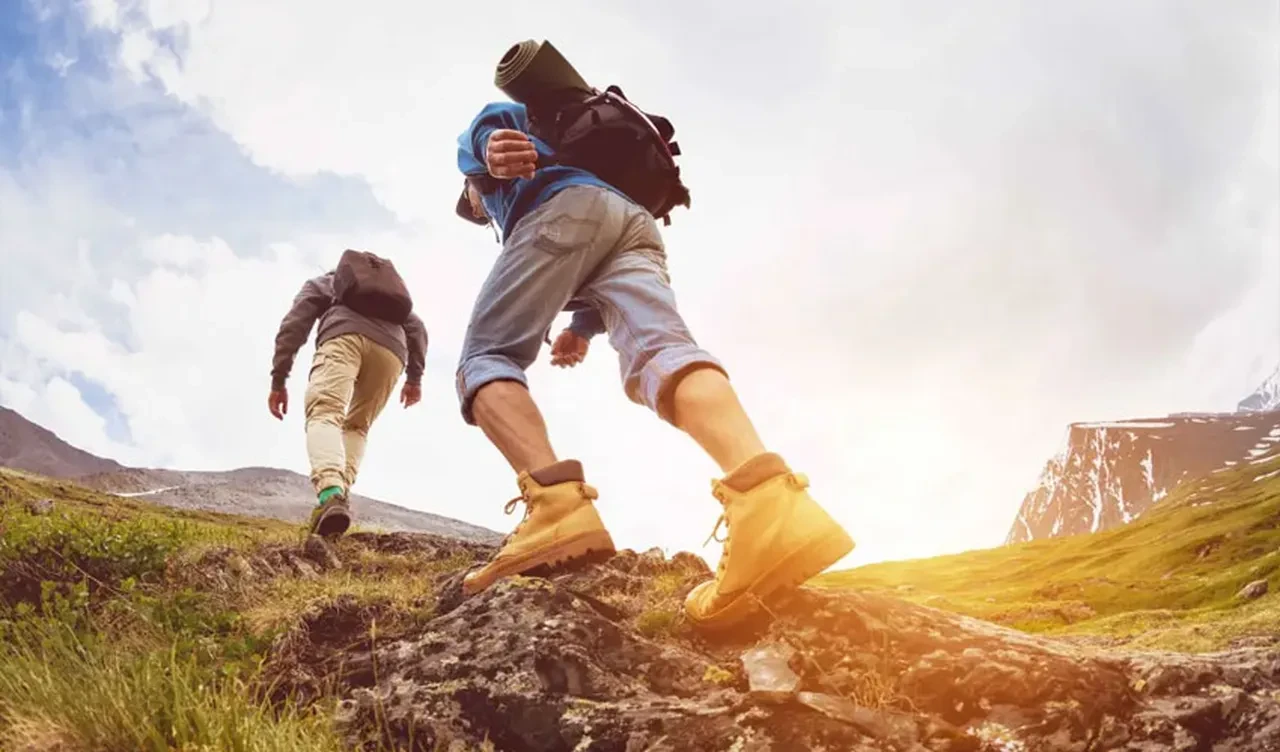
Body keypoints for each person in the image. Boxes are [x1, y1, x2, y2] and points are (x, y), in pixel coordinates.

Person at [453, 101, 854, 631]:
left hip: (563, 208)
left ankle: (558, 510)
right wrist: (581, 329)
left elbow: (488, 122)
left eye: (471, 204)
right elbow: (592, 252)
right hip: (634, 223)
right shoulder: (594, 175)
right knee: (663, 353)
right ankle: (768, 502)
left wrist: (486, 150)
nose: (476, 210)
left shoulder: (496, 179)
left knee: (488, 356)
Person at [267, 265, 427, 537]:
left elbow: (295, 324)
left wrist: (279, 379)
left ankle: (331, 494)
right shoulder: (389, 299)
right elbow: (418, 328)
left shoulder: (324, 283)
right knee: (357, 427)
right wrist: (414, 379)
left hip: (344, 338)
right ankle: (339, 498)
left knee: (325, 413)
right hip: (391, 352)